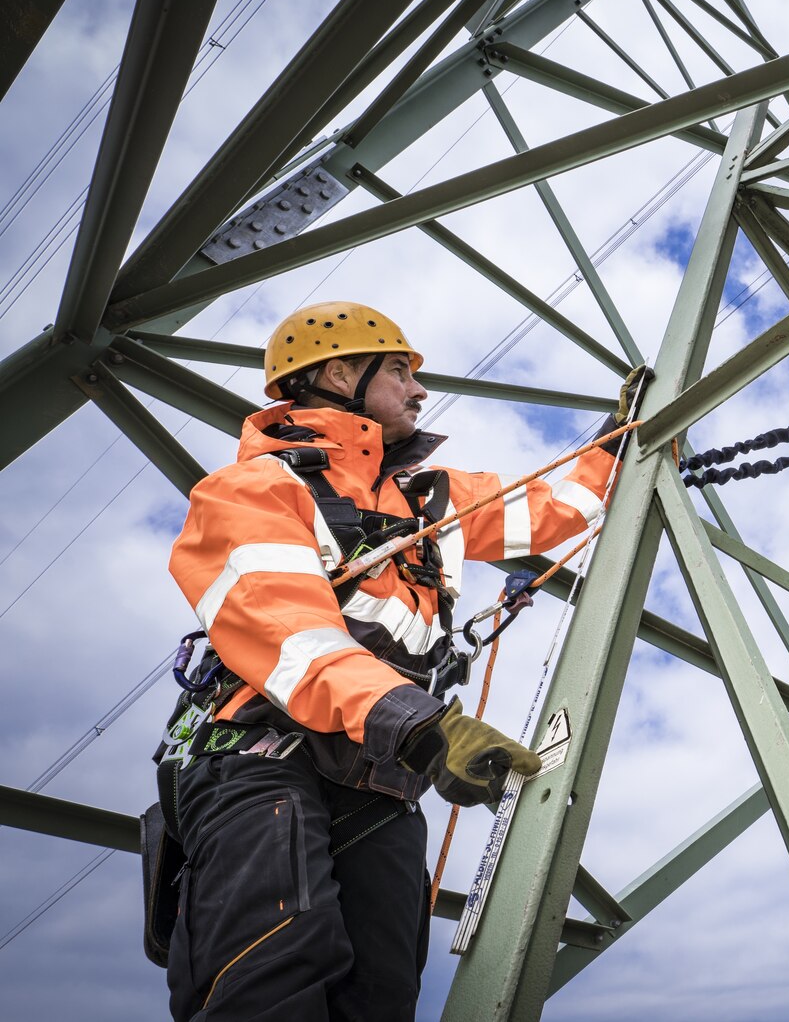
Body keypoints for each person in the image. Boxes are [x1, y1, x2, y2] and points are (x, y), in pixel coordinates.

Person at [156, 301, 638, 1021]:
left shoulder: (425, 500)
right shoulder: (256, 490)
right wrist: (421, 724)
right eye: (400, 371)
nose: (418, 391)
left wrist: (628, 433)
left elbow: (555, 511)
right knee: (276, 977)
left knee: (381, 998)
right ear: (340, 373)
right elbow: (289, 636)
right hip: (265, 761)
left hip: (383, 779)